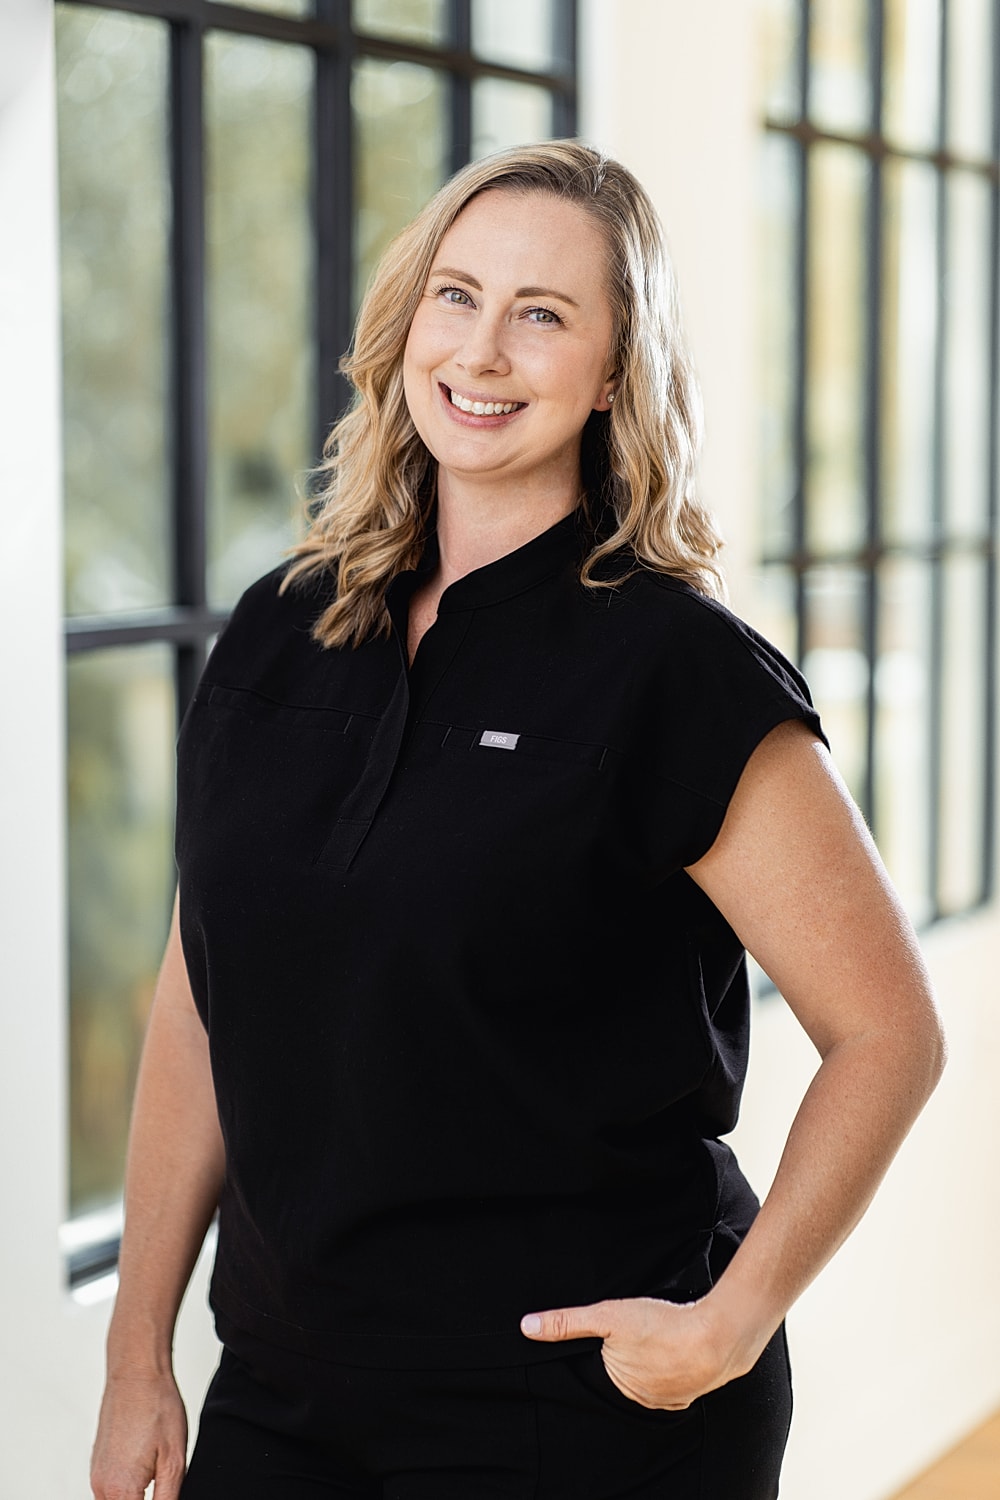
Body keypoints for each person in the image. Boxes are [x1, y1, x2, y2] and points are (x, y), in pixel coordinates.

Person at [90, 141, 945, 1500]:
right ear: (407, 323)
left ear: (615, 373)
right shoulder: (276, 630)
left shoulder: (678, 671)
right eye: (458, 297)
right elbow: (204, 994)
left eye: (543, 315)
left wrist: (733, 1322)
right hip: (285, 1398)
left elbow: (889, 1030)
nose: (483, 352)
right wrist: (138, 1354)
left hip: (575, 1415)